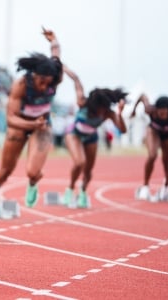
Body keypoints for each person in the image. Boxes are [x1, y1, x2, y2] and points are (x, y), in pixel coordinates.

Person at [0, 27, 63, 218]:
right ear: (33, 75)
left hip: (42, 126)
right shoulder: (21, 85)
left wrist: (53, 40)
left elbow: (56, 55)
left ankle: (34, 182)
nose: (45, 87)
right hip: (19, 125)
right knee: (5, 170)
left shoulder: (54, 76)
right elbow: (11, 118)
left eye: (48, 83)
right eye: (41, 82)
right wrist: (32, 124)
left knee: (33, 171)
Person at [62, 66, 127, 208]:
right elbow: (76, 79)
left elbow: (122, 130)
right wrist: (61, 65)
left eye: (104, 108)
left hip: (91, 137)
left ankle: (83, 192)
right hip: (75, 134)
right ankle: (70, 189)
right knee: (79, 162)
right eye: (99, 108)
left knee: (88, 170)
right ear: (93, 105)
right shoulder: (82, 102)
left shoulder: (108, 113)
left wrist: (120, 113)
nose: (101, 112)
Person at [130, 93, 168, 202]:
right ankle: (145, 186)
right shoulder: (150, 109)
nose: (162, 115)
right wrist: (134, 110)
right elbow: (142, 96)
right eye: (160, 113)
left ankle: (166, 186)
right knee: (152, 155)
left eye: (165, 113)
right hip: (154, 131)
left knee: (167, 161)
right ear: (156, 110)